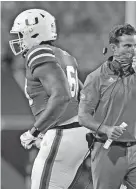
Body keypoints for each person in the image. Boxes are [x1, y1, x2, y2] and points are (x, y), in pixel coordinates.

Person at [78, 23, 136, 189]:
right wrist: (106, 129)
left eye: (135, 46)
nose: (132, 50)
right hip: (108, 150)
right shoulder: (96, 77)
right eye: (127, 46)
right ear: (114, 48)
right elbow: (83, 117)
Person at [10, 9, 90, 189]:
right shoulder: (64, 55)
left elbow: (61, 96)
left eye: (21, 34)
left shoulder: (38, 52)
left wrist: (34, 131)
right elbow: (84, 94)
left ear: (34, 32)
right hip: (78, 132)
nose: (19, 39)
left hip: (64, 131)